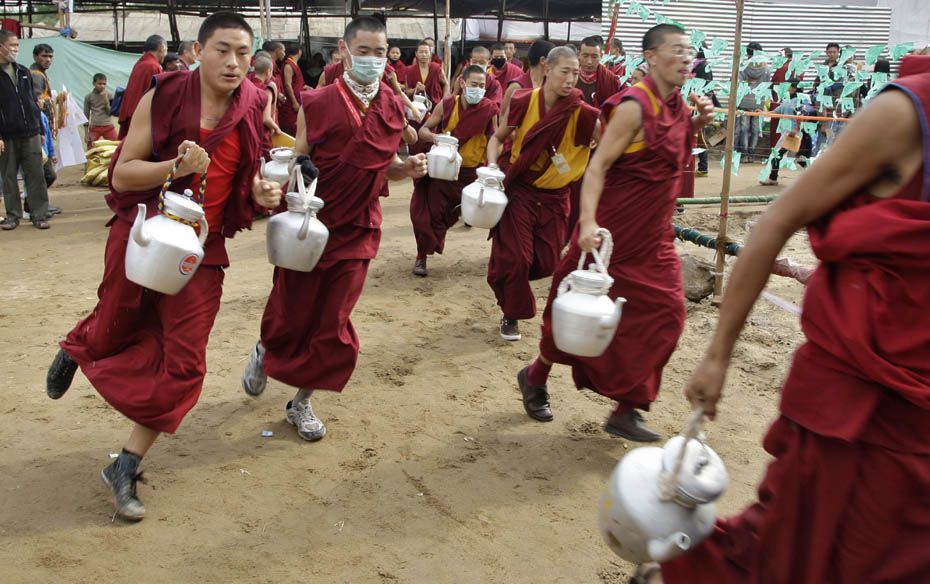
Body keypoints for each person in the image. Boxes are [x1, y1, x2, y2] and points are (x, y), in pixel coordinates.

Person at [660, 53, 930, 584]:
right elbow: (777, 219)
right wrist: (718, 355)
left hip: (919, 414)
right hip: (858, 405)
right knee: (791, 557)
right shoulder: (906, 112)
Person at [45, 12, 281, 521]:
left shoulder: (256, 102)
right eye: (223, 49)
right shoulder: (165, 96)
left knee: (185, 364)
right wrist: (175, 168)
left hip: (202, 250)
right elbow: (125, 175)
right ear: (198, 51)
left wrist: (260, 192)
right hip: (147, 235)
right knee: (117, 325)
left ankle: (126, 464)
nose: (235, 62)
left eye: (244, 52)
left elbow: (251, 177)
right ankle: (80, 344)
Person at [516, 24, 714, 440]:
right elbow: (598, 167)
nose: (685, 58)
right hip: (612, 236)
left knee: (668, 318)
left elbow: (663, 152)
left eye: (689, 51)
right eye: (676, 50)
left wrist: (695, 125)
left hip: (654, 238)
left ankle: (627, 409)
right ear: (652, 57)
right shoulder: (632, 106)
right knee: (570, 316)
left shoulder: (676, 105)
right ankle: (535, 375)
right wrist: (586, 223)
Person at [243, 16, 429, 443]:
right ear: (345, 52)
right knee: (291, 309)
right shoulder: (319, 100)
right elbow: (299, 157)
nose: (372, 60)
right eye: (363, 51)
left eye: (379, 53)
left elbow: (390, 167)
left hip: (358, 227)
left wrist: (409, 168)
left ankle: (301, 401)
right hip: (311, 223)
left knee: (334, 322)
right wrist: (300, 165)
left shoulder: (393, 106)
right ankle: (265, 349)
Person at [485, 46, 601, 341]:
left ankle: (504, 272)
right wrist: (491, 166)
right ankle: (511, 314)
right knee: (520, 259)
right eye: (565, 71)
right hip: (522, 190)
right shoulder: (524, 101)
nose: (571, 79)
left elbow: (605, 148)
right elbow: (497, 138)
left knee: (548, 262)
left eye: (576, 73)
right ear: (546, 69)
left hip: (556, 195)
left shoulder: (586, 115)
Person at [410, 64, 498, 276]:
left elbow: (494, 139)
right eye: (474, 84)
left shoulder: (489, 109)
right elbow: (423, 130)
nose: (478, 89)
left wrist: (493, 166)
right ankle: (421, 256)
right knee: (423, 215)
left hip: (470, 173)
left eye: (482, 85)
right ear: (462, 83)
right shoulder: (447, 104)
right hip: (444, 172)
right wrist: (437, 138)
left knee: (450, 215)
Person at [567, 35, 622, 234]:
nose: (589, 61)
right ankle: (570, 232)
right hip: (570, 143)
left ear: (601, 56)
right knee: (571, 189)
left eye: (594, 56)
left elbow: (614, 114)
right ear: (578, 55)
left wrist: (600, 135)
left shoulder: (610, 80)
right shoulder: (569, 78)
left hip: (598, 145)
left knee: (596, 188)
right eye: (585, 56)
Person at [0, 30, 51, 230]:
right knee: (9, 176)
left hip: (30, 132)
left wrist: (39, 130)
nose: (16, 49)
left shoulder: (23, 72)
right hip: (7, 136)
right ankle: (13, 215)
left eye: (17, 46)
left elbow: (32, 102)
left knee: (36, 175)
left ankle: (39, 214)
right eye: (12, 45)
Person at [761, 80, 813, 187]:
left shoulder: (800, 100)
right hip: (786, 132)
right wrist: (762, 113)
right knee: (793, 157)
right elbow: (776, 112)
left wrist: (796, 129)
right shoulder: (786, 100)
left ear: (793, 88)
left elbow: (803, 114)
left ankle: (773, 178)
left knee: (783, 155)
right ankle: (773, 178)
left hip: (796, 132)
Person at [118, 34, 166, 139]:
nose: (165, 54)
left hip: (130, 114)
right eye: (165, 50)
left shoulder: (140, 63)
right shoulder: (154, 66)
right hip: (140, 119)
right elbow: (157, 97)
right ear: (161, 48)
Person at [500, 39, 554, 122]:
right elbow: (503, 118)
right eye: (554, 60)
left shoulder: (551, 85)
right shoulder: (516, 87)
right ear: (543, 60)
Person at [403, 40, 448, 106]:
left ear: (430, 54)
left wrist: (443, 101)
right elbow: (407, 92)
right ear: (416, 53)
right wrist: (416, 89)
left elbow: (446, 84)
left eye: (426, 52)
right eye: (421, 52)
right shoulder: (410, 70)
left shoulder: (436, 68)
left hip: (435, 106)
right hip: (416, 107)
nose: (424, 55)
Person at [251, 55, 282, 138]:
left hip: (249, 129)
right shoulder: (267, 88)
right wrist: (276, 128)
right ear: (268, 72)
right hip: (261, 131)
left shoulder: (247, 84)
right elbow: (266, 118)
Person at [278, 42, 305, 136]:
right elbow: (287, 85)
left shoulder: (294, 64)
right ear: (299, 52)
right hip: (290, 104)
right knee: (290, 128)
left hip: (298, 100)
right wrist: (294, 102)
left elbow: (295, 83)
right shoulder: (288, 65)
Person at [83, 73, 117, 148]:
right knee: (91, 149)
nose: (102, 86)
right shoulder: (88, 97)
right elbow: (86, 115)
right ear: (94, 83)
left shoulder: (109, 95)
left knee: (116, 147)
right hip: (95, 126)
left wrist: (106, 102)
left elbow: (111, 112)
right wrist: (86, 134)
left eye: (104, 84)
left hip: (108, 126)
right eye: (100, 83)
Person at [30, 43, 56, 136]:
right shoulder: (36, 75)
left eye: (50, 56)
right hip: (40, 123)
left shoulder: (41, 73)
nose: (48, 60)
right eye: (44, 56)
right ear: (35, 57)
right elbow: (37, 102)